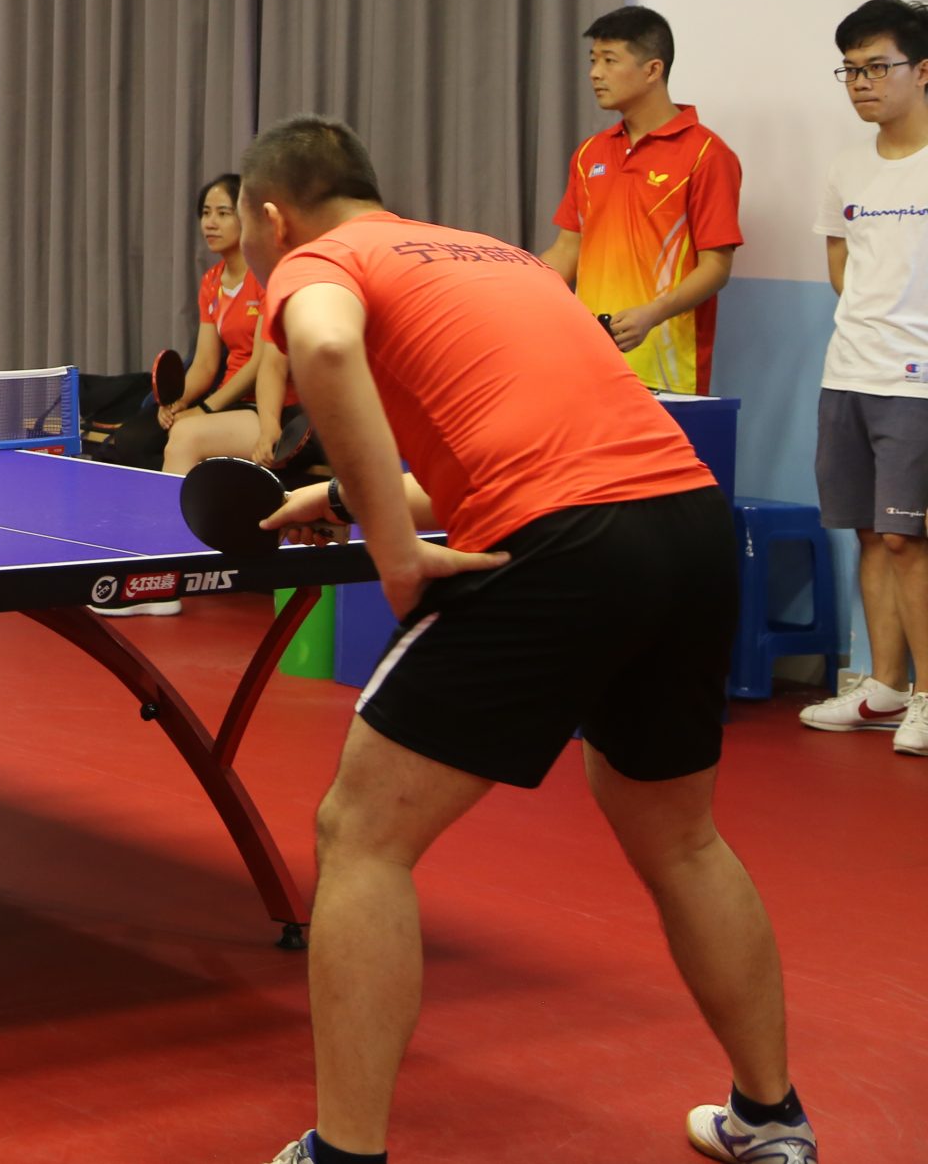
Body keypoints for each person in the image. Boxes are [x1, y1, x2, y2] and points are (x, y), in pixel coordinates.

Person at [237, 117, 806, 1164]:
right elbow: (534, 443)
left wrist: (394, 551)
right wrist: (345, 497)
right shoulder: (494, 256)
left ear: (276, 219)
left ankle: (344, 1154)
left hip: (566, 545)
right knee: (682, 839)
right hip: (686, 523)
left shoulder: (322, 259)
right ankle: (771, 1121)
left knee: (362, 837)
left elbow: (323, 346)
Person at [802, 0, 928, 755]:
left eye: (877, 68)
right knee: (867, 535)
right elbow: (840, 263)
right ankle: (883, 686)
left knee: (907, 539)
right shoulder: (847, 166)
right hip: (848, 372)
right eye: (850, 70)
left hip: (918, 385)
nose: (861, 84)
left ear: (924, 71)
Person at [539, 7, 744, 393]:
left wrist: (652, 314)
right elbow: (567, 250)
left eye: (609, 60)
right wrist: (513, 286)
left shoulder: (707, 155)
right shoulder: (589, 154)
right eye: (593, 60)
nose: (595, 73)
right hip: (590, 361)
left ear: (652, 70)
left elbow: (716, 267)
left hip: (666, 372)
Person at [160, 172, 291, 476]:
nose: (210, 223)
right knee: (148, 436)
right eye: (206, 213)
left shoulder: (268, 277)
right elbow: (205, 363)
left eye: (222, 213)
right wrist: (179, 403)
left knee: (184, 435)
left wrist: (205, 409)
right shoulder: (211, 281)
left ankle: (169, 509)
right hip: (232, 402)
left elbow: (263, 364)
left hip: (274, 409)